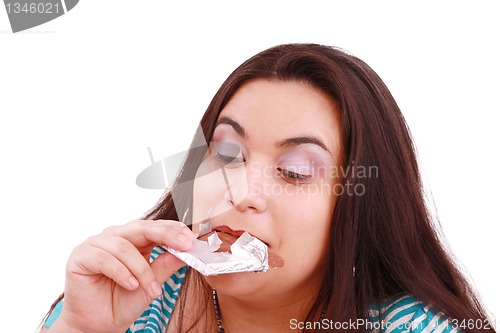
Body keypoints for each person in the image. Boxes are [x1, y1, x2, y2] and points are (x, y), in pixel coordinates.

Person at [39, 44, 495, 333]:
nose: (240, 192)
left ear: (357, 210)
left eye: (295, 171)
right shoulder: (130, 303)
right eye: (226, 154)